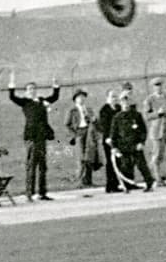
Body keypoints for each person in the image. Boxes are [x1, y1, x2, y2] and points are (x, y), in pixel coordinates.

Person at [9, 73, 60, 201]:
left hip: (42, 136)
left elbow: (54, 97)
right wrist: (12, 85)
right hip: (31, 137)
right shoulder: (25, 102)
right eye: (29, 89)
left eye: (33, 89)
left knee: (43, 165)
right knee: (31, 164)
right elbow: (12, 97)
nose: (32, 91)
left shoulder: (41, 101)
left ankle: (42, 192)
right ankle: (29, 193)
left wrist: (55, 86)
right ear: (26, 92)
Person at [107, 89, 154, 192]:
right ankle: (126, 185)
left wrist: (141, 142)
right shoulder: (117, 117)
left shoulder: (137, 115)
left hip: (135, 144)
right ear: (120, 102)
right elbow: (113, 134)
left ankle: (149, 183)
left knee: (141, 165)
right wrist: (114, 147)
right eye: (123, 101)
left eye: (127, 100)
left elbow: (143, 130)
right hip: (123, 145)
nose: (125, 103)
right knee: (125, 166)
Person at [65, 89, 100, 187]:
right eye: (79, 97)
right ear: (75, 99)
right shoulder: (72, 110)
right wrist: (74, 135)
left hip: (89, 132)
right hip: (79, 133)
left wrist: (94, 120)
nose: (81, 99)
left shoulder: (88, 109)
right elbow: (67, 124)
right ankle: (80, 181)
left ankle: (88, 181)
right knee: (81, 158)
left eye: (83, 97)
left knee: (89, 157)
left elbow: (95, 122)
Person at [143, 78, 166, 184]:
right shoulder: (149, 100)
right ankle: (156, 177)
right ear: (153, 87)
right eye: (156, 85)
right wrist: (158, 113)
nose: (159, 87)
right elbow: (146, 116)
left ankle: (165, 176)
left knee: (162, 154)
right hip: (156, 130)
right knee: (156, 154)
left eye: (160, 85)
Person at [97, 89, 122, 193]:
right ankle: (110, 185)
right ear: (107, 97)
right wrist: (109, 138)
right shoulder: (104, 110)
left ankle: (118, 183)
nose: (114, 98)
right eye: (112, 96)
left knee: (120, 161)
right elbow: (104, 126)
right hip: (109, 139)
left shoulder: (119, 108)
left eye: (116, 96)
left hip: (119, 138)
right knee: (111, 162)